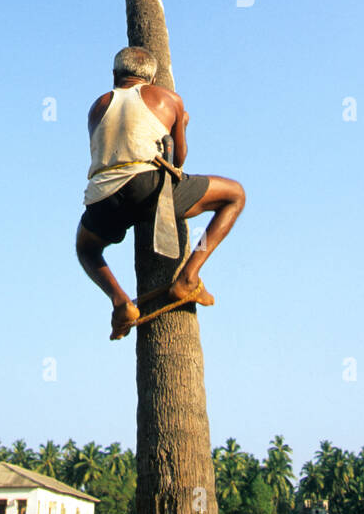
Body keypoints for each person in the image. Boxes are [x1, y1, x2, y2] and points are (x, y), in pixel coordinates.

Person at [76, 46, 245, 340]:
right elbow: (179, 160)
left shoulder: (97, 106)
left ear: (115, 76)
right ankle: (188, 277)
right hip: (148, 187)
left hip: (104, 197)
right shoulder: (169, 100)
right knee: (234, 195)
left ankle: (120, 302)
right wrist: (183, 124)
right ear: (152, 80)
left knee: (86, 248)